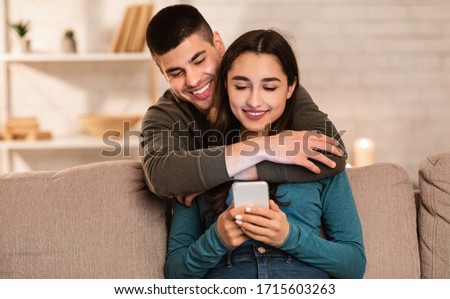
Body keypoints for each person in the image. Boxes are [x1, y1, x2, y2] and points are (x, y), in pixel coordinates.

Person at [165, 29, 366, 279]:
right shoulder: (200, 163)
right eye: (240, 86)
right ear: (225, 85)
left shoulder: (317, 157)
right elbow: (176, 272)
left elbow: (354, 264)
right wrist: (217, 239)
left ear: (291, 87)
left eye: (270, 87)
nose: (254, 101)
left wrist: (288, 237)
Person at [141, 4, 347, 203]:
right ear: (163, 73)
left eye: (199, 61)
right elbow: (161, 176)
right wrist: (265, 147)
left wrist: (222, 177)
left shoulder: (265, 85)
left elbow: (333, 153)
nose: (193, 80)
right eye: (176, 73)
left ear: (218, 44)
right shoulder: (163, 115)